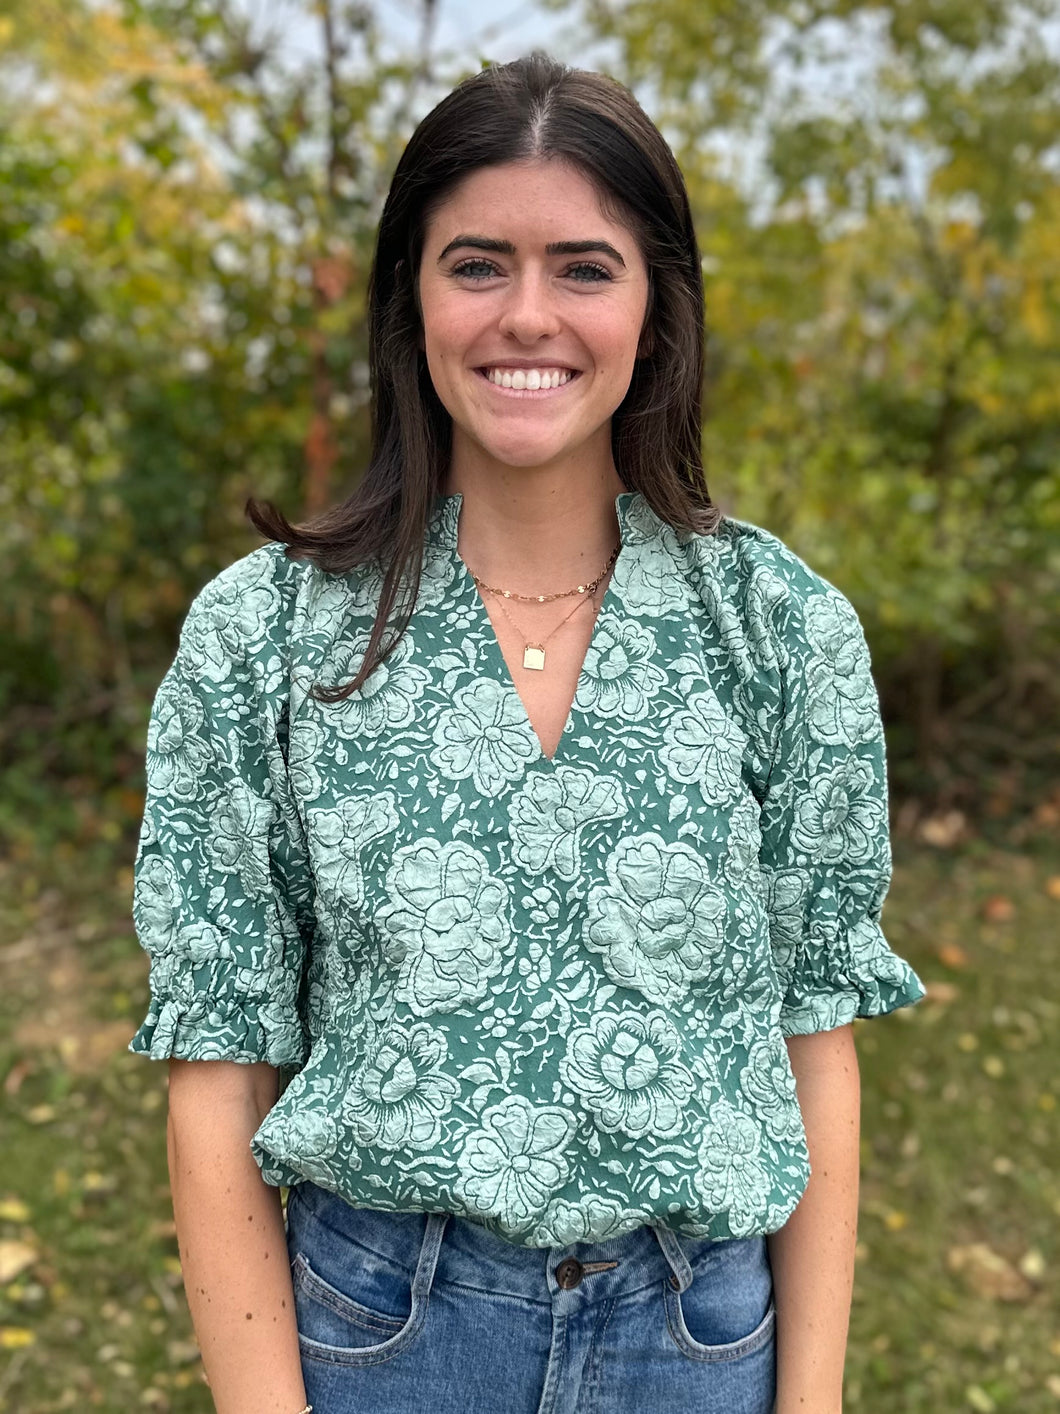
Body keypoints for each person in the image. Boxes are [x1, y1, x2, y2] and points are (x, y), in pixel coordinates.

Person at [128, 52, 925, 1414]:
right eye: (479, 263)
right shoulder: (267, 635)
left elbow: (814, 1037)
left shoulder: (781, 630)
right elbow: (216, 1065)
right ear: (413, 298)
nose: (529, 316)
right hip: (378, 1335)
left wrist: (814, 1400)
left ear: (657, 309)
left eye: (586, 267)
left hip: (699, 1339)